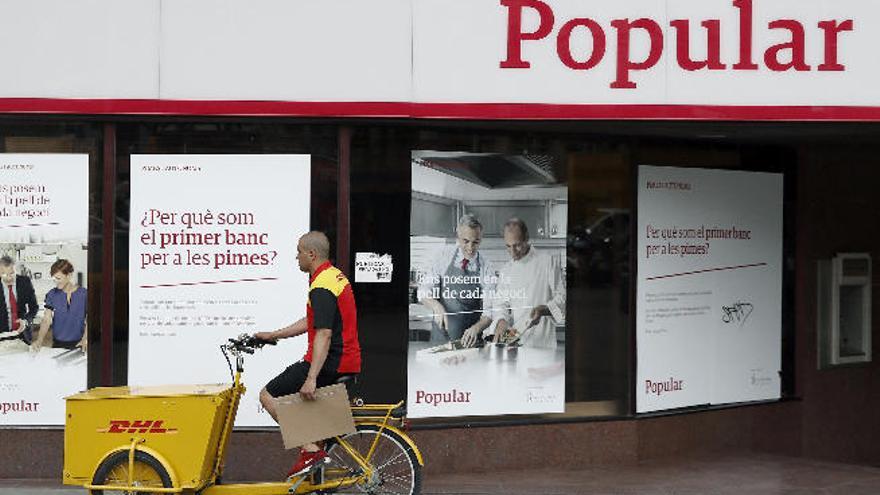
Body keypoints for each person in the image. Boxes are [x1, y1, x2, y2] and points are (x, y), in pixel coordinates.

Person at [255, 231, 361, 478]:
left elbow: (323, 333)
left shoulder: (322, 285)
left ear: (311, 254)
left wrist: (312, 377)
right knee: (309, 419)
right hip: (344, 359)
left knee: (268, 395)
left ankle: (310, 451)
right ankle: (314, 461)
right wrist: (274, 335)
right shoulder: (333, 277)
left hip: (331, 362)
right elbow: (312, 321)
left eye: (299, 252)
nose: (296, 257)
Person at [486, 218, 565, 348]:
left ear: (526, 238)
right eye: (508, 246)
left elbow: (563, 297)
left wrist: (544, 310)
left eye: (517, 245)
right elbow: (500, 304)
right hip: (516, 346)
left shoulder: (548, 262)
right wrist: (501, 321)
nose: (513, 252)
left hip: (543, 345)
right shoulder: (506, 270)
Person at [419, 213, 495, 347]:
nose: (471, 248)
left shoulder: (486, 266)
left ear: (481, 239)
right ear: (458, 237)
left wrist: (476, 329)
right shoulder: (443, 256)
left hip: (469, 342)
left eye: (476, 242)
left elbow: (490, 312)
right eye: (466, 241)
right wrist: (437, 306)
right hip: (441, 340)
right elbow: (423, 291)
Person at [31, 259, 88, 352]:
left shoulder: (84, 294)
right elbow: (46, 320)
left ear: (69, 275)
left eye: (58, 278)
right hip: (57, 343)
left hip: (80, 343)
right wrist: (39, 340)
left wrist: (85, 339)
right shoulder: (52, 294)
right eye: (54, 278)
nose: (56, 282)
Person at [0, 255, 39, 342]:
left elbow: (34, 307)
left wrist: (26, 321)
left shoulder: (25, 282)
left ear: (16, 270)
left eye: (12, 273)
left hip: (23, 334)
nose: (9, 277)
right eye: (4, 274)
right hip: (2, 335)